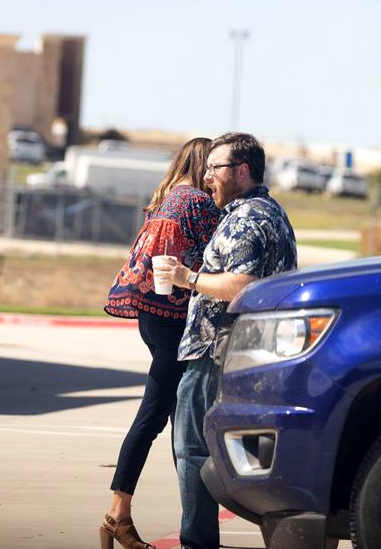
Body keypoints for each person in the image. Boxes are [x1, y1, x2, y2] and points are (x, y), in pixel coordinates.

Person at [154, 132, 297, 549]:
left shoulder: (247, 218)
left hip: (216, 353)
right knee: (247, 458)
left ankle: (197, 544)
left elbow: (242, 284)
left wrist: (187, 277)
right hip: (250, 354)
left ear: (242, 171)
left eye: (214, 168)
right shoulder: (273, 213)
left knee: (194, 450)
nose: (207, 177)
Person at [99, 137, 220, 549]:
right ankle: (118, 512)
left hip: (151, 319)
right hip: (174, 324)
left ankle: (195, 524)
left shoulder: (167, 198)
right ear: (204, 163)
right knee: (155, 416)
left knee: (177, 420)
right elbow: (215, 259)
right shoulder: (198, 204)